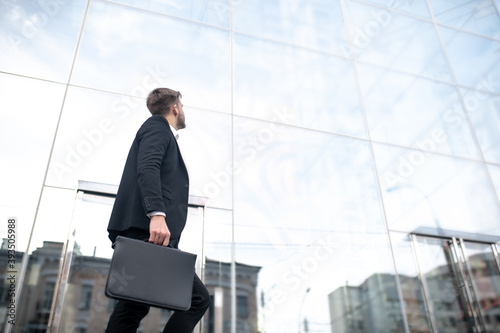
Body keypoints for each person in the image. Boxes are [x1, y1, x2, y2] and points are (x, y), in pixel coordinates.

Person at [106, 88, 210, 333]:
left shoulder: (159, 130)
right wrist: (157, 214)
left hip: (151, 235)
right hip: (149, 232)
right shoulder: (157, 127)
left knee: (133, 306)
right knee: (197, 299)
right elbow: (148, 168)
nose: (183, 111)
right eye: (182, 107)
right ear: (175, 108)